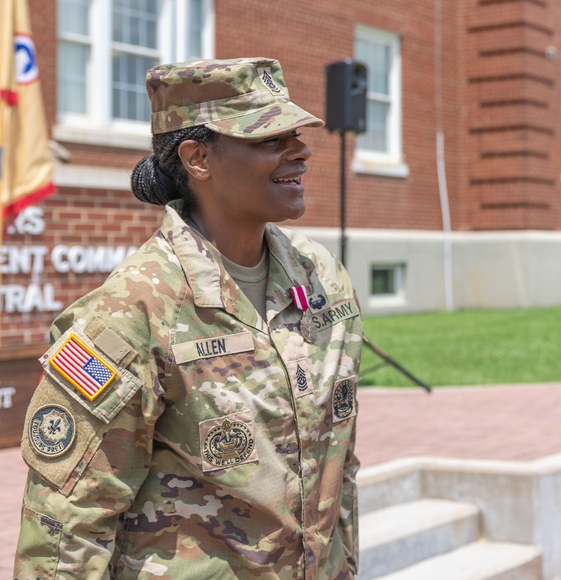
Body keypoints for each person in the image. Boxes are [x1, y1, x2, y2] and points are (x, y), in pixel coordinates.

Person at [14, 57, 363, 579]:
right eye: (270, 139)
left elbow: (341, 469)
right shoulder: (132, 310)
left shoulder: (324, 280)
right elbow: (70, 520)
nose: (301, 151)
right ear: (198, 158)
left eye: (296, 135)